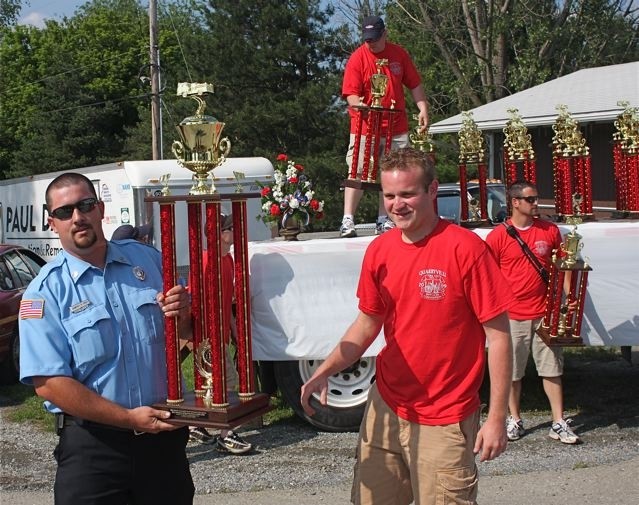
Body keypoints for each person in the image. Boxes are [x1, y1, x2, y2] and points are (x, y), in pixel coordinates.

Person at [301, 148, 514, 504]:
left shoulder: (466, 249)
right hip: (386, 404)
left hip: (445, 416)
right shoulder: (380, 250)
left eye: (407, 194)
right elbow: (367, 323)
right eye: (389, 195)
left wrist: (496, 418)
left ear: (432, 191)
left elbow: (499, 336)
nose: (397, 204)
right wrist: (325, 369)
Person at [18, 172, 195, 505]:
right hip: (93, 451)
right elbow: (49, 383)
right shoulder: (45, 293)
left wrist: (184, 315)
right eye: (64, 211)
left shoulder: (149, 261)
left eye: (85, 205)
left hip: (163, 447)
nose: (77, 217)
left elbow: (186, 339)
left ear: (100, 209)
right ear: (51, 223)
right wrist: (128, 419)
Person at [485, 181, 581, 444]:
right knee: (512, 372)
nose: (536, 203)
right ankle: (514, 419)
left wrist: (567, 299)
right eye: (530, 199)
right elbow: (489, 276)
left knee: (552, 369)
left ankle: (558, 421)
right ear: (515, 202)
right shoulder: (498, 236)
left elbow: (564, 267)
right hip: (512, 315)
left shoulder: (550, 230)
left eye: (536, 198)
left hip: (544, 313)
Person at [340, 15, 429, 238]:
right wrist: (358, 104)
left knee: (393, 174)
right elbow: (350, 93)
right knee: (357, 170)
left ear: (385, 34)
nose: (372, 43)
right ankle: (348, 219)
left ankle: (384, 218)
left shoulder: (399, 54)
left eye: (376, 39)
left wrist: (423, 108)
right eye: (368, 39)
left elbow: (414, 84)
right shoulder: (357, 58)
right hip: (364, 127)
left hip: (396, 127)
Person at [188, 214, 252, 455]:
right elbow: (196, 299)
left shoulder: (228, 260)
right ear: (219, 234)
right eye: (230, 228)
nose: (234, 232)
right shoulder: (206, 261)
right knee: (229, 382)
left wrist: (236, 334)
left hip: (220, 335)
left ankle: (197, 425)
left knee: (211, 386)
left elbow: (228, 304)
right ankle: (227, 434)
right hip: (207, 337)